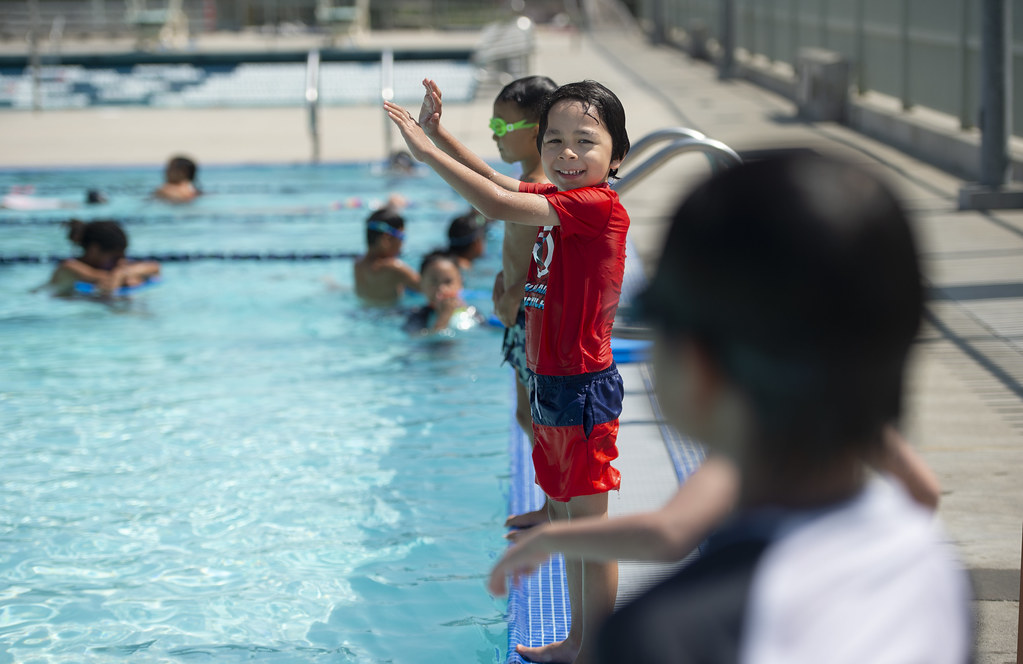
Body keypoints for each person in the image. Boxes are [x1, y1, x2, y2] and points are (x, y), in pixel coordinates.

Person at [495, 155, 972, 662]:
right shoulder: (931, 571)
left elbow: (670, 536)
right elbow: (670, 532)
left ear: (697, 363)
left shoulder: (669, 633)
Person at [386, 78, 631, 664]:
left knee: (587, 533)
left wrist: (424, 154)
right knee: (569, 524)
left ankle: (596, 648)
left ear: (617, 155)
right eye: (555, 140)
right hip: (550, 379)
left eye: (585, 142)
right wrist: (441, 134)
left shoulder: (595, 207)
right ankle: (578, 642)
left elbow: (495, 203)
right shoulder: (562, 199)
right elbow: (500, 183)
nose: (567, 153)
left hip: (580, 386)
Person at [415, 75, 558, 529]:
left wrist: (517, 295)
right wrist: (438, 133)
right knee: (526, 414)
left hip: (531, 319)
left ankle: (562, 505)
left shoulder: (544, 186)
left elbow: (554, 257)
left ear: (536, 130)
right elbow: (483, 177)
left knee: (543, 420)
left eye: (503, 127)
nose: (495, 135)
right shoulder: (525, 178)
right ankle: (553, 504)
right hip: (517, 319)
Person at [37, 219, 161, 297]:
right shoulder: (69, 267)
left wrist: (123, 272)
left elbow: (154, 267)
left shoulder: (114, 265)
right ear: (94, 250)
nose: (121, 259)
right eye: (116, 255)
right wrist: (124, 274)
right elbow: (102, 278)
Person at [353, 205, 420, 306]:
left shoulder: (358, 264)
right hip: (391, 315)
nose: (403, 243)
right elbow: (428, 287)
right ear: (386, 239)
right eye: (402, 237)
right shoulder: (394, 267)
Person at [403, 251, 483, 335]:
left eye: (448, 282)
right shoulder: (417, 316)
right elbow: (416, 340)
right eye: (434, 282)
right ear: (421, 283)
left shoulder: (472, 313)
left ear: (460, 282)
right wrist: (443, 318)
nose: (441, 288)